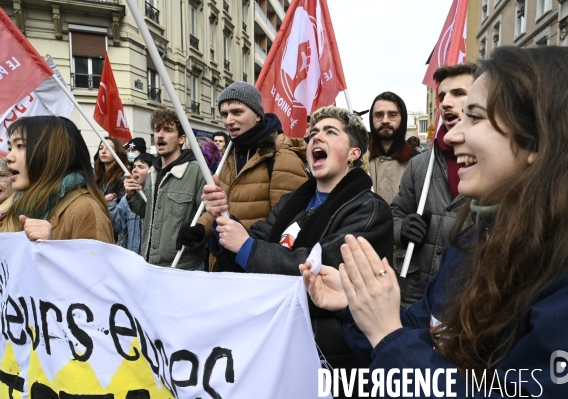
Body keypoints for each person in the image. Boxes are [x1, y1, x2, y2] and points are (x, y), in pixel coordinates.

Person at [301, 46, 568, 397]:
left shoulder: (567, 276)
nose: (450, 135)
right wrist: (361, 306)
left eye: (474, 116)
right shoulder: (473, 242)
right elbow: (422, 332)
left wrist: (388, 334)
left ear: (538, 136)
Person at [207, 106, 393, 396]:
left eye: (330, 133)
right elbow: (257, 238)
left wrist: (247, 247)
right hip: (280, 346)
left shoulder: (369, 210)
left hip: (332, 361)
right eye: (314, 133)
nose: (317, 138)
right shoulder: (291, 203)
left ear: (355, 153)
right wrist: (224, 221)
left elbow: (320, 267)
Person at [177, 81, 308, 271]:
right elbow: (221, 208)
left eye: (237, 112)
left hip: (258, 268)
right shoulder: (229, 157)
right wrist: (200, 229)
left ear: (257, 115)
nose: (228, 120)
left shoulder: (282, 157)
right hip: (225, 263)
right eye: (224, 114)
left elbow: (288, 222)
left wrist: (245, 244)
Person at [391, 63, 476, 308]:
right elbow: (396, 214)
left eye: (458, 93)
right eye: (442, 96)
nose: (446, 102)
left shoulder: (497, 164)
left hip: (470, 300)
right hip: (415, 296)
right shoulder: (419, 166)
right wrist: (403, 230)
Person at [0, 116, 113, 242]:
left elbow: (97, 261)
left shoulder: (84, 208)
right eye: (10, 148)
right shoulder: (22, 206)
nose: (8, 157)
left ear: (52, 152)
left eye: (20, 146)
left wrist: (52, 246)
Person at [125, 108, 206, 269]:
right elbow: (149, 212)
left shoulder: (197, 172)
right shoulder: (153, 171)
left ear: (182, 138)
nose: (160, 135)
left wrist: (197, 232)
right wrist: (132, 195)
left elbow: (210, 216)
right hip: (149, 265)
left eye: (168, 130)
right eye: (157, 130)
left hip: (182, 268)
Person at [367, 91, 413, 205]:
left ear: (403, 118)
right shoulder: (358, 163)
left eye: (392, 115)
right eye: (379, 115)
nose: (385, 120)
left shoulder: (420, 163)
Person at [109, 152, 154, 254]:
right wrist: (111, 204)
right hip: (132, 257)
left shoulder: (156, 196)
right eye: (134, 166)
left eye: (141, 167)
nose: (135, 170)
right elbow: (119, 225)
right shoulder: (126, 198)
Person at [94, 136, 127, 203]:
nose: (103, 151)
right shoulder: (97, 176)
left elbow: (123, 208)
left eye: (109, 148)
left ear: (118, 152)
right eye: (101, 148)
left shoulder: (123, 178)